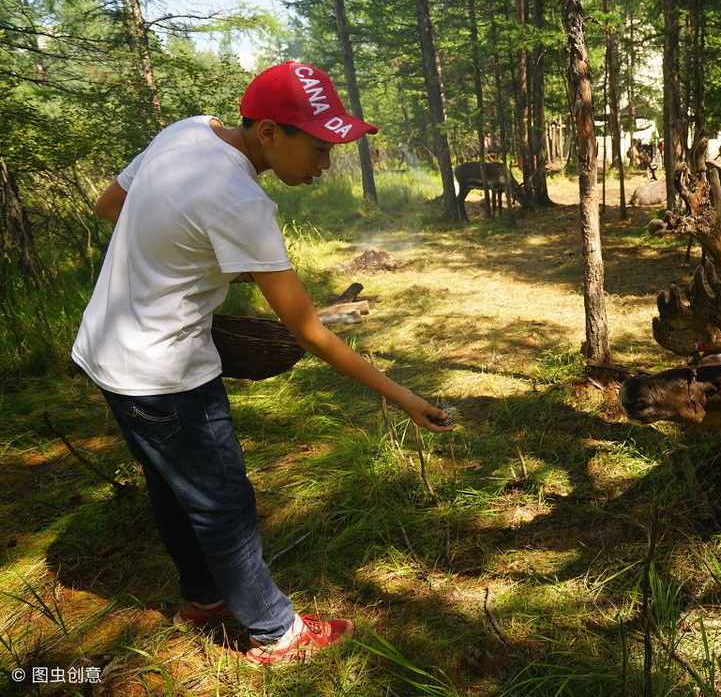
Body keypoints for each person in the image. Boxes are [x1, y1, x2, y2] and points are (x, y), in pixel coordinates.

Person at [72, 62, 453, 666]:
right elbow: (310, 333)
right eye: (321, 148)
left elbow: (109, 206)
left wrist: (189, 257)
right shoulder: (242, 202)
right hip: (167, 374)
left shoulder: (188, 131)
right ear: (270, 132)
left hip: (106, 352)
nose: (326, 164)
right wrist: (404, 397)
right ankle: (276, 632)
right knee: (224, 502)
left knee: (173, 490)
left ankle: (202, 599)